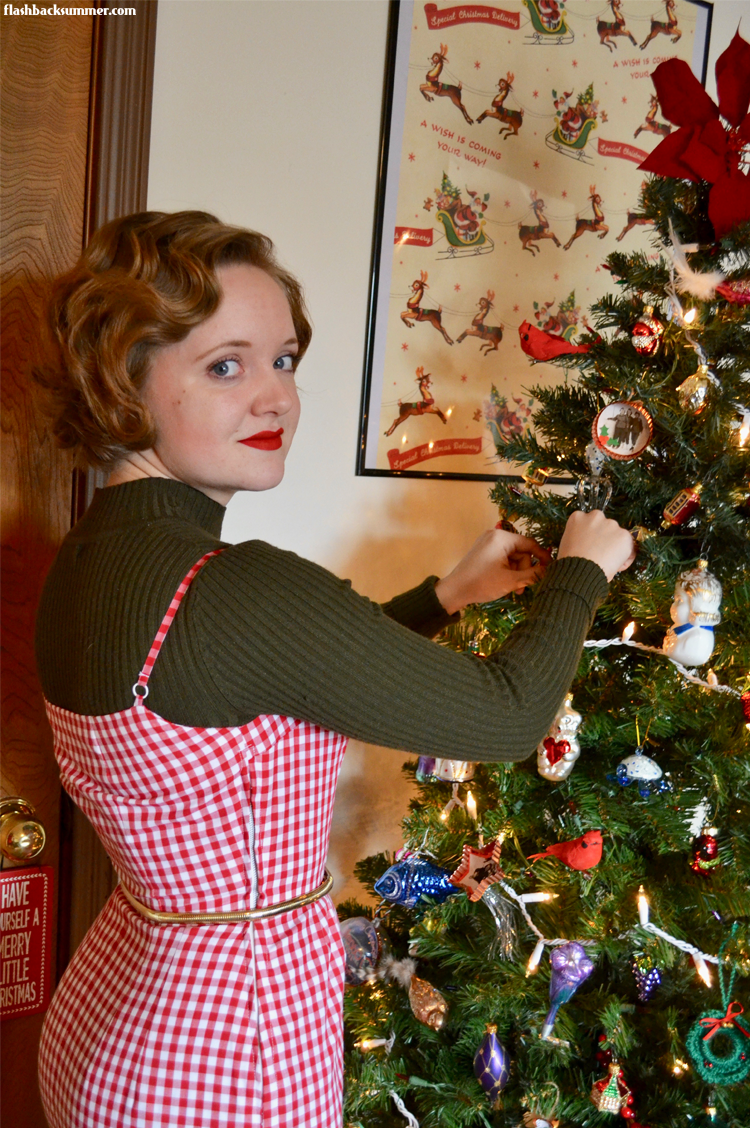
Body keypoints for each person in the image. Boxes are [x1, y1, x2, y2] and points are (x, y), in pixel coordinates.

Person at [34, 211, 635, 1128]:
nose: (276, 397)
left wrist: (448, 593)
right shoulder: (234, 588)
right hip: (234, 1055)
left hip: (111, 1020)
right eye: (226, 364)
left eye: (284, 360)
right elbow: (509, 718)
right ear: (123, 381)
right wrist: (583, 570)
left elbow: (261, 692)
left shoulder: (84, 561)